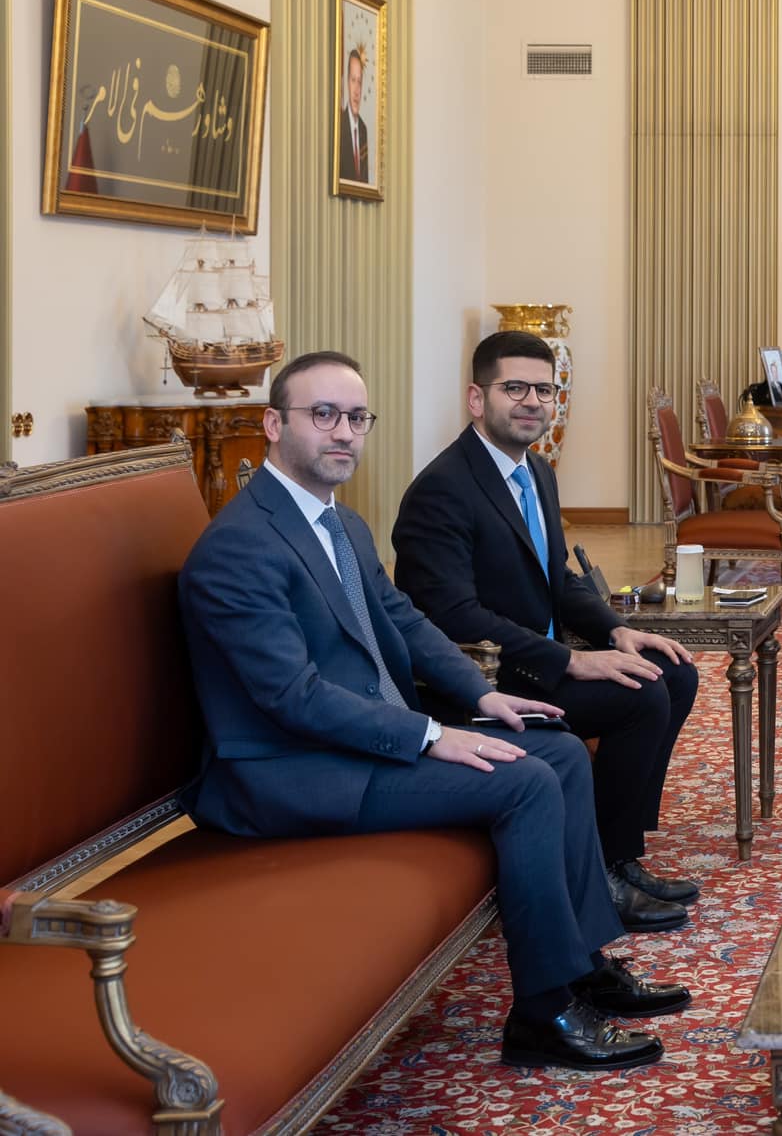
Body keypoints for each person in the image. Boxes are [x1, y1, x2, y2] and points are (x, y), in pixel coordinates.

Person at [179, 350, 691, 1072]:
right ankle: (544, 1014)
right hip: (290, 770)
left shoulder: (341, 523)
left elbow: (407, 619)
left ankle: (582, 967)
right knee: (524, 779)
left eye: (356, 418)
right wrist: (430, 734)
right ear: (273, 424)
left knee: (559, 747)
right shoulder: (239, 548)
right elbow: (291, 698)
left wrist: (482, 695)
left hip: (355, 741)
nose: (343, 434)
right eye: (322, 415)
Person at [394, 331, 702, 916]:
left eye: (544, 389)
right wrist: (570, 659)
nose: (532, 401)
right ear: (476, 399)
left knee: (674, 670)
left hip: (535, 658)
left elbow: (556, 577)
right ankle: (601, 876)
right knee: (641, 696)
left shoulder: (536, 472)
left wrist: (614, 630)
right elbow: (453, 616)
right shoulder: (442, 491)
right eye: (514, 387)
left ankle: (619, 854)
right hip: (483, 678)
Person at [338, 46, 370, 182]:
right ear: (346, 82)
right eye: (353, 80)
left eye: (359, 82)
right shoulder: (339, 126)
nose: (357, 90)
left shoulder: (363, 129)